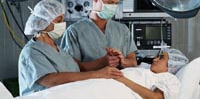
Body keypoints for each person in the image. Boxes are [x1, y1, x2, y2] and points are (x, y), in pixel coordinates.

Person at [18, 0, 123, 96]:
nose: (63, 24)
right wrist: (97, 74)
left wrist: (105, 61)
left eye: (63, 19)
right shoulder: (31, 52)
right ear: (43, 22)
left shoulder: (59, 50)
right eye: (59, 20)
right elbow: (52, 80)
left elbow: (78, 69)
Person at [16, 52, 180, 99]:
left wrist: (122, 79)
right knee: (65, 92)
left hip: (116, 90)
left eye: (162, 58)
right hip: (104, 82)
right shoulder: (144, 70)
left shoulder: (170, 79)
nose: (155, 59)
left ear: (171, 66)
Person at [60, 0, 138, 71]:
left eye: (116, 3)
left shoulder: (122, 30)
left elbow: (133, 62)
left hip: (118, 83)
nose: (113, 7)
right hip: (90, 84)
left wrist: (122, 61)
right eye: (109, 2)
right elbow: (70, 67)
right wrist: (101, 63)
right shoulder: (74, 31)